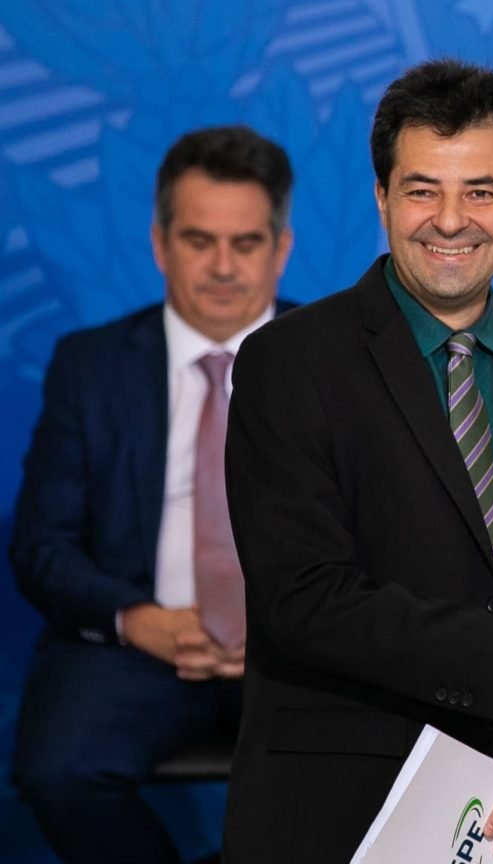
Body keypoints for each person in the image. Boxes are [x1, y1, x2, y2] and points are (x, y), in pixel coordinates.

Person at [220, 60, 493, 863]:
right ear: (381, 198)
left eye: (481, 191)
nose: (451, 220)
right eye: (422, 190)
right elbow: (302, 600)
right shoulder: (290, 363)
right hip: (347, 819)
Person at [10, 125, 294, 864]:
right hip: (138, 644)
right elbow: (41, 546)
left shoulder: (342, 365)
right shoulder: (90, 366)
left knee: (383, 770)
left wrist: (286, 627)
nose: (225, 267)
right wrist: (139, 622)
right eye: (200, 241)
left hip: (302, 650)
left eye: (247, 242)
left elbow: (388, 539)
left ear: (282, 247)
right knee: (56, 770)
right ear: (160, 244)